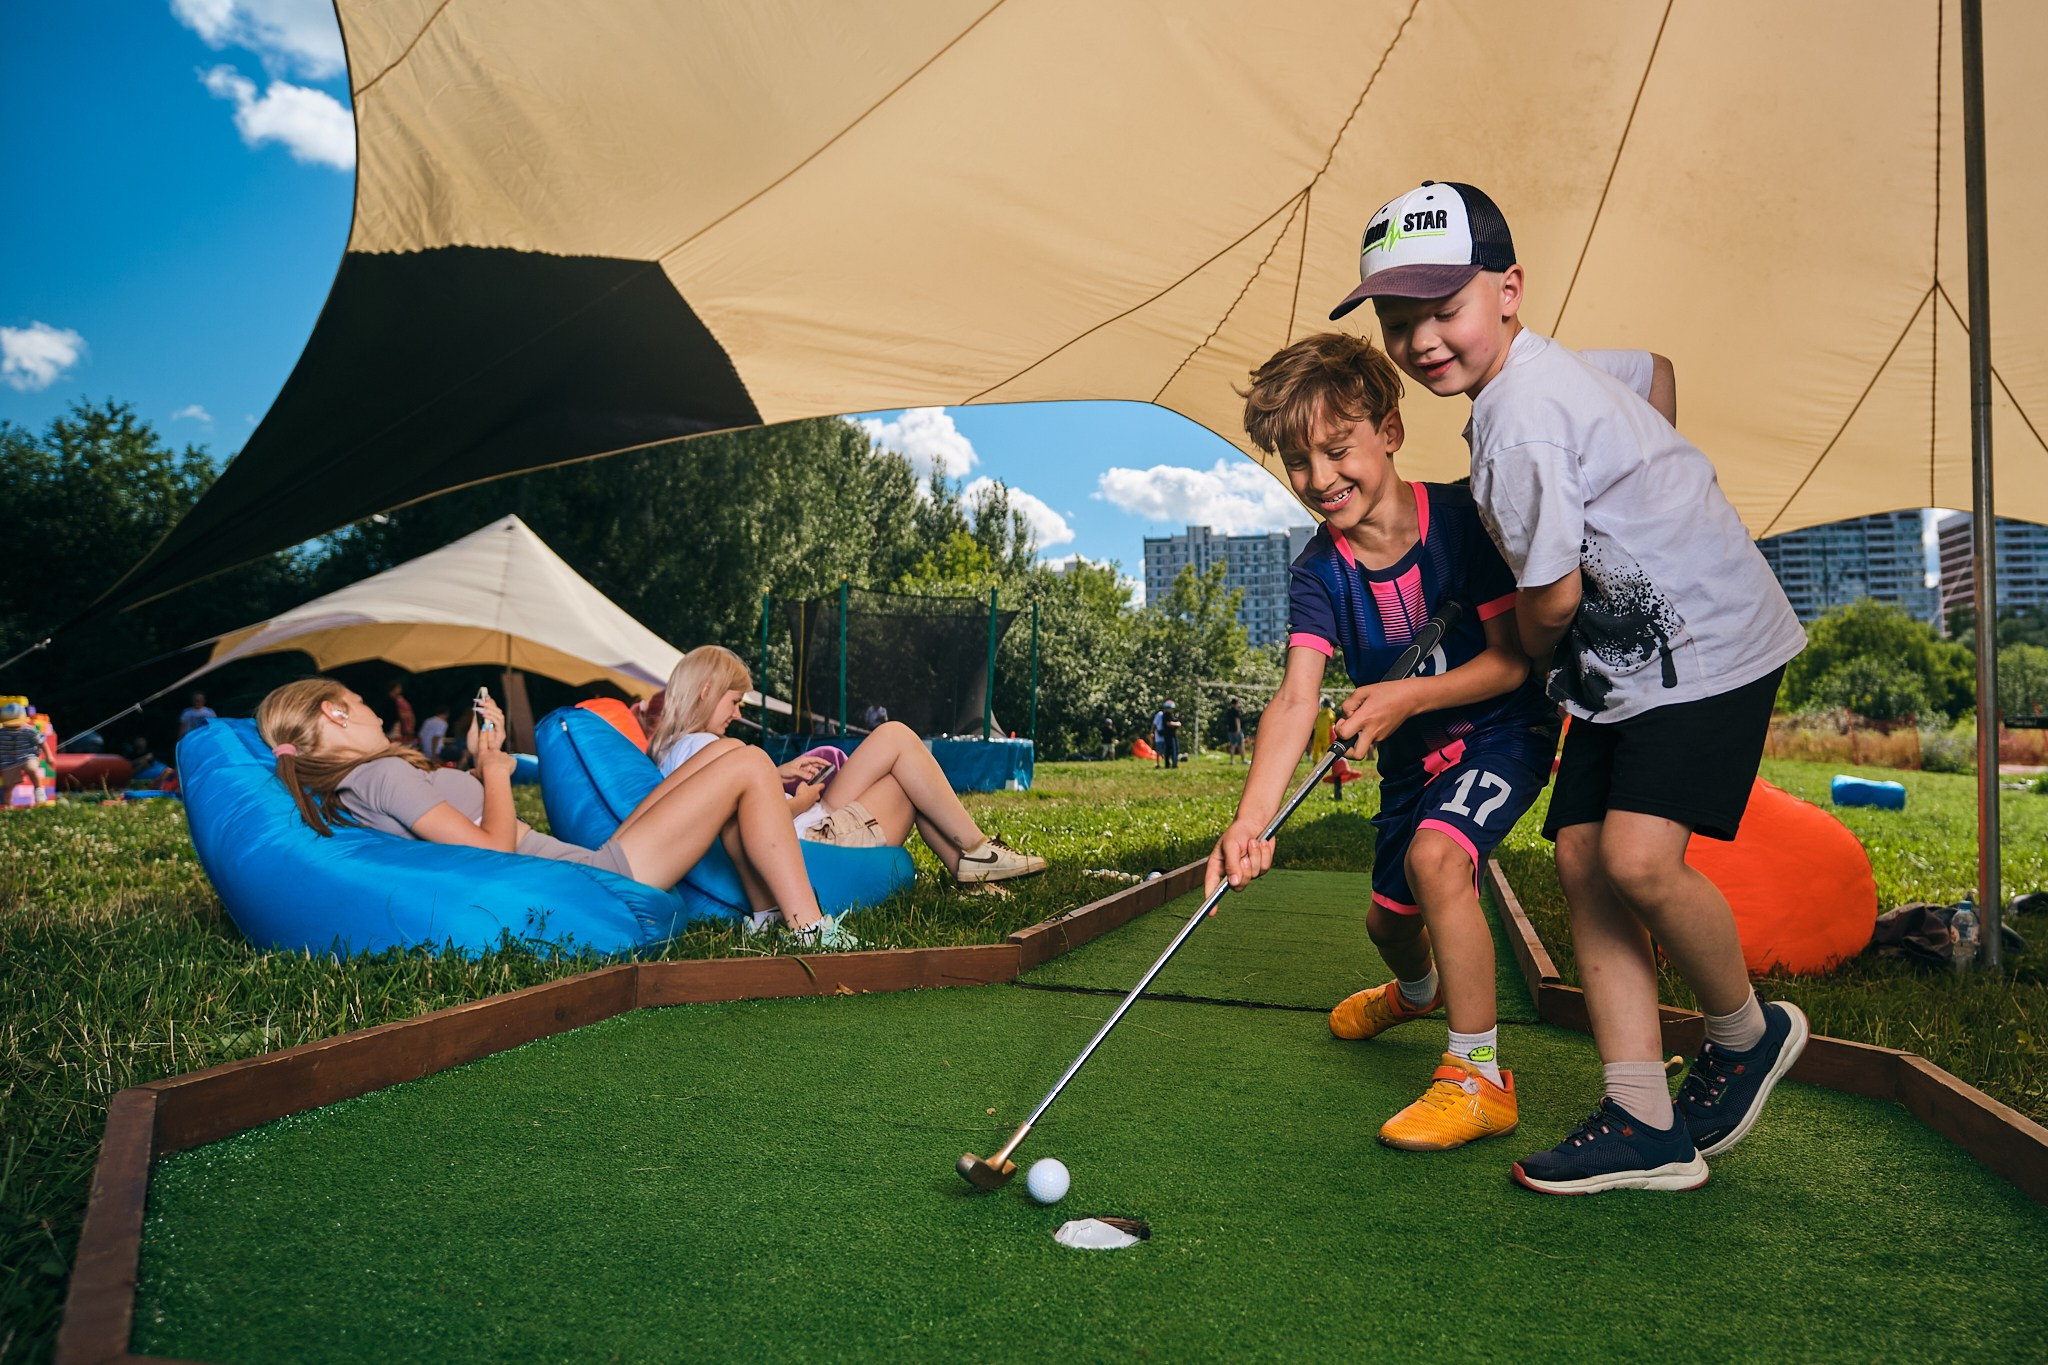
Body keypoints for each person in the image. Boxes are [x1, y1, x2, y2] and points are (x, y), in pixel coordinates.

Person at [1335, 181, 1809, 1193]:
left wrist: (1543, 659)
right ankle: (1643, 1118)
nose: (1421, 339)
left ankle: (1744, 1032)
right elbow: (1655, 373)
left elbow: (1545, 602)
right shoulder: (1550, 374)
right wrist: (1653, 476)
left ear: (1507, 290)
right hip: (1625, 673)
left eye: (1442, 307)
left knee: (1635, 861)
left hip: (1706, 647)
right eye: (1397, 318)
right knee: (1584, 860)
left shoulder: (1516, 428)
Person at [1208, 331, 1555, 1153]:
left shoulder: (1463, 526)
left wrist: (1407, 695)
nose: (1320, 479)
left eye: (1337, 449)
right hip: (1413, 765)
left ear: (1390, 431)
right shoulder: (1316, 573)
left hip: (1503, 731)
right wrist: (1250, 820)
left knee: (1440, 860)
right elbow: (1298, 697)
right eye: (1298, 462)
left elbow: (1513, 663)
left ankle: (1478, 1077)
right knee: (1387, 925)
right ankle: (1418, 988)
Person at [258, 677, 842, 939]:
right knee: (746, 765)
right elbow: (492, 850)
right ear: (334, 713)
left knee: (735, 749)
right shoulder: (381, 773)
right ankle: (809, 929)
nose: (374, 715)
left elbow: (464, 837)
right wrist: (494, 770)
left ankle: (767, 922)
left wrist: (482, 761)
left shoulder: (358, 786)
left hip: (585, 861)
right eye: (360, 704)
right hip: (601, 877)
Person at [646, 646, 1047, 884]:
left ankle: (972, 860)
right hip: (809, 838)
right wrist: (799, 803)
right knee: (904, 763)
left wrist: (778, 773)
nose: (736, 715)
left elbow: (725, 799)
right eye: (734, 703)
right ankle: (975, 854)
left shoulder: (679, 748)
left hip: (809, 824)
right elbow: (742, 825)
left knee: (894, 739)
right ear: (705, 692)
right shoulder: (700, 745)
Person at [385, 679, 417, 745]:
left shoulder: (397, 700)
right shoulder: (395, 701)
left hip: (395, 725)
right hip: (392, 726)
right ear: (394, 688)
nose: (400, 689)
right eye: (399, 687)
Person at [1155, 700, 1182, 769]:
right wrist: (1177, 724)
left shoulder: (1168, 715)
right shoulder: (1166, 715)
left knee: (1169, 750)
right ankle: (1173, 764)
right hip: (1170, 735)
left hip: (1169, 735)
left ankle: (1169, 764)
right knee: (1173, 749)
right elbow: (1168, 723)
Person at [1222, 697, 1246, 765]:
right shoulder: (1236, 711)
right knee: (1241, 745)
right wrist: (1238, 730)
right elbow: (1237, 721)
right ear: (1236, 703)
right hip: (1236, 730)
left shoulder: (1229, 711)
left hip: (1230, 730)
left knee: (1232, 745)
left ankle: (1232, 760)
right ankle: (1243, 760)